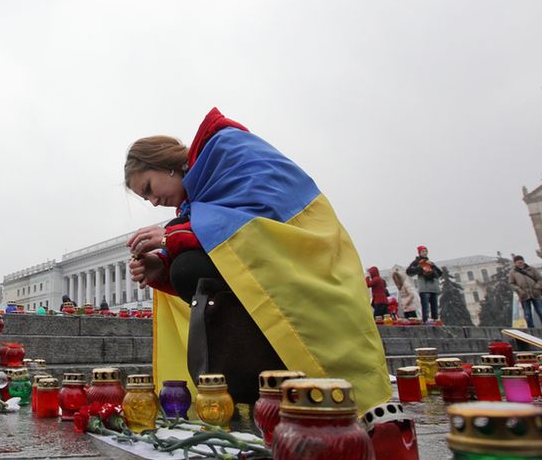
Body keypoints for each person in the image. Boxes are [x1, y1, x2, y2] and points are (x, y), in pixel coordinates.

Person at [124, 107, 390, 414]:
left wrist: (173, 237)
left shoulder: (226, 149)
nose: (154, 201)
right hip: (273, 266)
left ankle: (269, 375)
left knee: (188, 266)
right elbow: (225, 240)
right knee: (186, 268)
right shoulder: (196, 200)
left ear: (163, 165)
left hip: (306, 253)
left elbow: (261, 216)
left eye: (149, 188)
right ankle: (249, 383)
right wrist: (162, 265)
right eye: (146, 199)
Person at [406, 246, 442, 323]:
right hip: (424, 288)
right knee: (425, 308)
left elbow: (439, 273)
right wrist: (421, 267)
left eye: (426, 251)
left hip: (433, 288)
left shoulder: (430, 262)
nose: (425, 253)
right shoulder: (416, 262)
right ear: (419, 253)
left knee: (434, 308)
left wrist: (432, 266)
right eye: (423, 251)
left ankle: (435, 322)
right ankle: (426, 322)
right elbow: (409, 271)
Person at [508, 255, 542, 328]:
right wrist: (519, 290)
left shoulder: (531, 269)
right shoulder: (513, 272)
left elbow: (540, 279)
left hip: (535, 293)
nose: (520, 262)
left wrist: (537, 287)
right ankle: (531, 329)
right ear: (515, 263)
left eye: (521, 260)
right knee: (527, 314)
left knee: (540, 311)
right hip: (524, 295)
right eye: (518, 261)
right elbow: (511, 284)